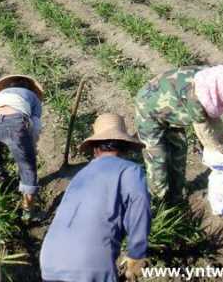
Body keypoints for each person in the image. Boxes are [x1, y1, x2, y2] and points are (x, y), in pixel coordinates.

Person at [40, 113, 151, 282]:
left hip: (50, 260)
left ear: (94, 148)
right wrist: (136, 255)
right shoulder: (131, 171)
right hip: (90, 264)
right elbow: (139, 208)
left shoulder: (80, 175)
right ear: (125, 147)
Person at [134, 65, 223, 203]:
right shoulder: (196, 97)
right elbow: (206, 134)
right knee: (158, 159)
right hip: (148, 110)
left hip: (173, 110)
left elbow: (213, 119)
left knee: (179, 149)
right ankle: (158, 202)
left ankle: (176, 193)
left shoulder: (211, 80)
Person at [0, 75, 44, 222]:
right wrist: (30, 148)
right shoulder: (32, 97)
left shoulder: (1, 95)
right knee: (27, 167)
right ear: (30, 88)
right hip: (14, 123)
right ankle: (28, 212)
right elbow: (35, 127)